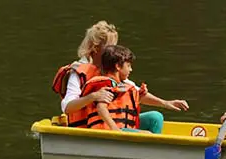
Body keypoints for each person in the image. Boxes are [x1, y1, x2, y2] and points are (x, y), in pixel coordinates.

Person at [53, 22, 188, 132]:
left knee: (155, 117)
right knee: (143, 132)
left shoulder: (112, 70)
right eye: (110, 47)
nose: (114, 50)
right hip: (91, 129)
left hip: (116, 124)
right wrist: (93, 96)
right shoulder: (79, 73)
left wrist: (166, 103)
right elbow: (67, 107)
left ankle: (151, 153)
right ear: (95, 48)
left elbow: (136, 93)